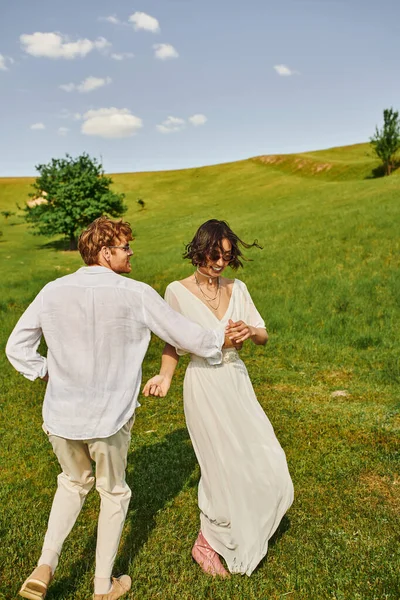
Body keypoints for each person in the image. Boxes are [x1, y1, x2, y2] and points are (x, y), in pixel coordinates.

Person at [5, 216, 229, 600]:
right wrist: (222, 338)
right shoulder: (136, 293)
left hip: (60, 416)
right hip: (108, 418)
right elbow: (182, 333)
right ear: (105, 253)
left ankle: (45, 564)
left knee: (72, 482)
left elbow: (16, 348)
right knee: (113, 493)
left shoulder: (52, 291)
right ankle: (102, 586)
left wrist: (46, 372)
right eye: (125, 247)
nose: (131, 252)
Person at [143, 219, 294, 577]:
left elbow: (263, 335)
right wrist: (164, 377)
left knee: (264, 455)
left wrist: (250, 331)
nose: (220, 262)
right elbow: (172, 343)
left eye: (226, 255)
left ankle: (245, 523)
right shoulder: (176, 292)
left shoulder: (237, 288)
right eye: (214, 254)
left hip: (236, 380)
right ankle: (207, 542)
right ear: (199, 249)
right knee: (219, 466)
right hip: (203, 385)